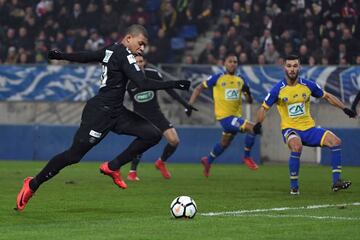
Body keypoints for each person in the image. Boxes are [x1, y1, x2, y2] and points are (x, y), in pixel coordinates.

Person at [15, 24, 190, 211]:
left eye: (144, 46)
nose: (142, 49)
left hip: (116, 112)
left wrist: (62, 55)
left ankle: (113, 166)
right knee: (73, 156)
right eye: (140, 43)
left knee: (152, 134)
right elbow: (142, 83)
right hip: (99, 113)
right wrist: (175, 83)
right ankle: (32, 184)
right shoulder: (124, 55)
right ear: (129, 38)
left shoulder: (111, 50)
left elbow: (86, 57)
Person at [253, 54, 356, 195]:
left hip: (309, 129)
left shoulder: (308, 85)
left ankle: (336, 182)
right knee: (297, 145)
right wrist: (258, 124)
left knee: (336, 141)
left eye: (295, 66)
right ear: (284, 68)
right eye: (289, 66)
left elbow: (327, 96)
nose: (292, 69)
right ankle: (294, 187)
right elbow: (263, 108)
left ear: (299, 67)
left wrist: (345, 108)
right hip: (290, 130)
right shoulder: (278, 89)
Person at [187, 52, 259, 178]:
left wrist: (248, 93)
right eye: (230, 61)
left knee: (224, 144)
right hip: (225, 118)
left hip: (235, 118)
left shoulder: (241, 80)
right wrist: (190, 105)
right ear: (225, 63)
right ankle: (247, 157)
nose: (232, 64)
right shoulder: (217, 78)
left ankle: (208, 161)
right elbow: (199, 88)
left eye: (235, 62)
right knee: (254, 128)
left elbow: (249, 101)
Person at [126, 55, 197, 181]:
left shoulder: (153, 75)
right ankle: (132, 172)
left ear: (145, 62)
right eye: (135, 62)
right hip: (140, 117)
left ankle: (161, 162)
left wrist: (185, 104)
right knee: (140, 144)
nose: (138, 64)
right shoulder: (128, 80)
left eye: (140, 61)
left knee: (174, 141)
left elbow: (169, 90)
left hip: (156, 114)